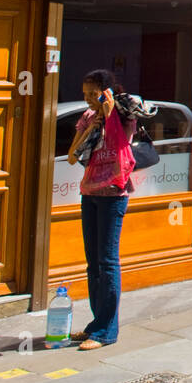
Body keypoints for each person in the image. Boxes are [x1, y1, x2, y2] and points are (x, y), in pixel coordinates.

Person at [64, 69, 137, 350]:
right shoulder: (87, 118)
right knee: (93, 262)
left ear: (106, 91)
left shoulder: (124, 116)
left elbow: (121, 146)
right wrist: (92, 125)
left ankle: (107, 331)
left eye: (92, 94)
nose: (87, 100)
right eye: (84, 95)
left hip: (113, 195)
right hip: (90, 192)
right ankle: (96, 323)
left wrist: (109, 115)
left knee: (107, 262)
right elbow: (73, 156)